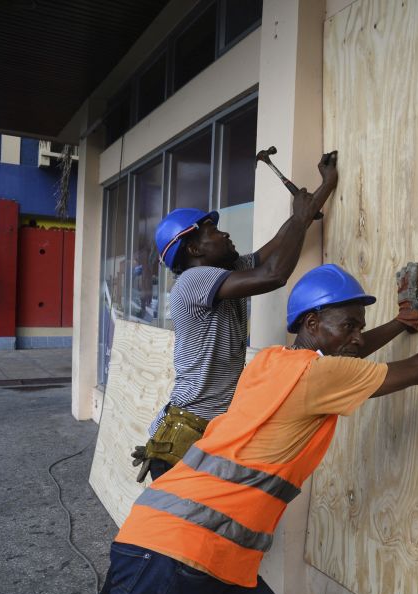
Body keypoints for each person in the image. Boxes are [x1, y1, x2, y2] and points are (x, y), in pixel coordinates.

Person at [89, 261, 418, 594]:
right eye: (349, 325)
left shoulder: (270, 361)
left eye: (360, 326)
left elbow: (351, 355)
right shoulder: (317, 376)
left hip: (206, 553)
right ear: (312, 323)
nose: (358, 335)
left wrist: (402, 322)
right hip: (175, 552)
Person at [131, 152, 342, 482]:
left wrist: (323, 188)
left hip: (210, 430)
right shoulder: (193, 281)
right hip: (187, 439)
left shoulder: (227, 272)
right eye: (212, 231)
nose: (224, 234)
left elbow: (277, 246)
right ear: (194, 250)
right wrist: (301, 218)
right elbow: (273, 274)